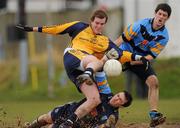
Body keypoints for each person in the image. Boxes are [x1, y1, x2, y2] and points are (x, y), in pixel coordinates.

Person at [16, 9, 144, 128]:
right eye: (97, 23)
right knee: (97, 61)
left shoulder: (105, 41)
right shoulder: (80, 26)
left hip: (80, 72)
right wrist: (33, 29)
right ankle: (88, 73)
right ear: (91, 21)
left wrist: (139, 58)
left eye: (102, 24)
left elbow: (121, 53)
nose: (98, 26)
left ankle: (69, 122)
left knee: (95, 99)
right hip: (73, 55)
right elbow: (57, 29)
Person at [115, 3, 171, 127]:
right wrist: (110, 53)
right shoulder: (139, 25)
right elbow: (120, 39)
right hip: (124, 54)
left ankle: (154, 115)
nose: (161, 17)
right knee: (101, 70)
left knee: (154, 82)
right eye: (159, 14)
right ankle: (93, 106)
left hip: (139, 60)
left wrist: (136, 61)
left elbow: (151, 55)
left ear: (167, 18)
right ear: (155, 14)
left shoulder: (164, 36)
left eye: (164, 15)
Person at [23, 71, 133, 128]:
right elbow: (98, 78)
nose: (116, 98)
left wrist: (105, 126)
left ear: (122, 105)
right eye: (118, 95)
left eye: (120, 100)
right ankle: (31, 126)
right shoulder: (105, 93)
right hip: (71, 109)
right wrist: (90, 80)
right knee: (47, 117)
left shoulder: (112, 116)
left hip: (76, 123)